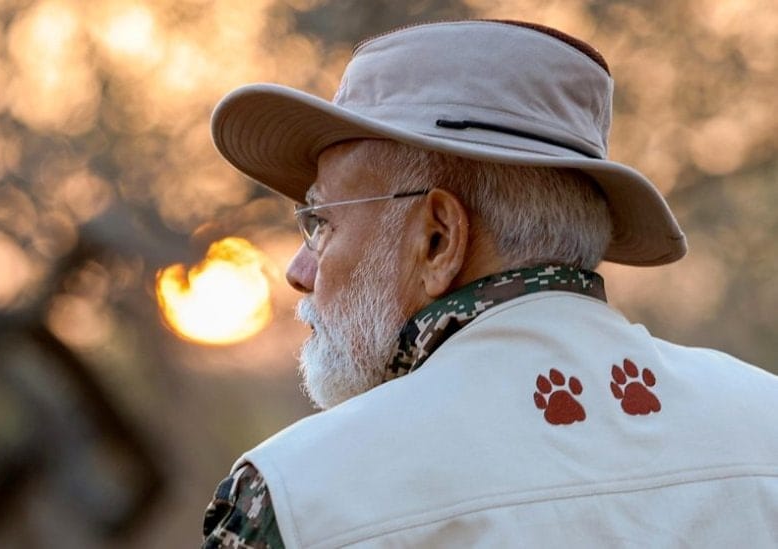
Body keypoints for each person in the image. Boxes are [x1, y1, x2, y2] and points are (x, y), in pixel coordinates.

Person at [201, 20, 778, 548]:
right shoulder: (765, 424)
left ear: (437, 240)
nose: (299, 272)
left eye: (321, 222)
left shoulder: (302, 497)